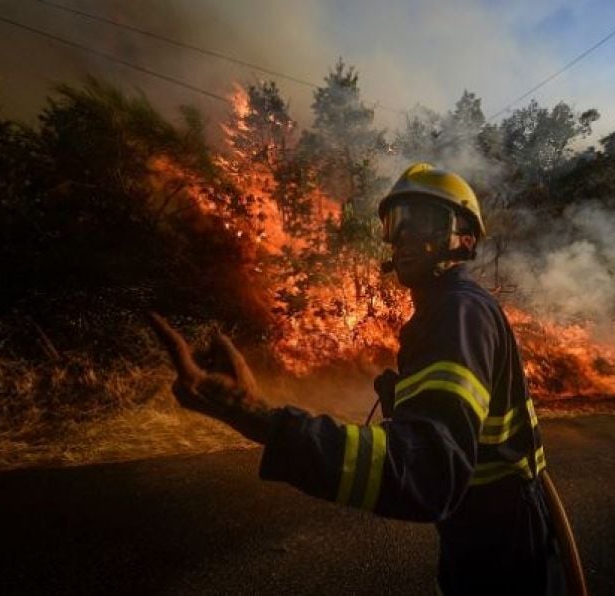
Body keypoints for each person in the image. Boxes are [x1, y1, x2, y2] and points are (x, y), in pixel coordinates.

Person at [150, 162, 565, 595]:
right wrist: (409, 406)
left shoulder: (457, 312)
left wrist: (259, 418)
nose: (403, 235)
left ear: (463, 238)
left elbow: (429, 472)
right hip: (487, 523)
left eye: (422, 220)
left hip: (501, 538)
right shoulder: (453, 307)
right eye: (395, 223)